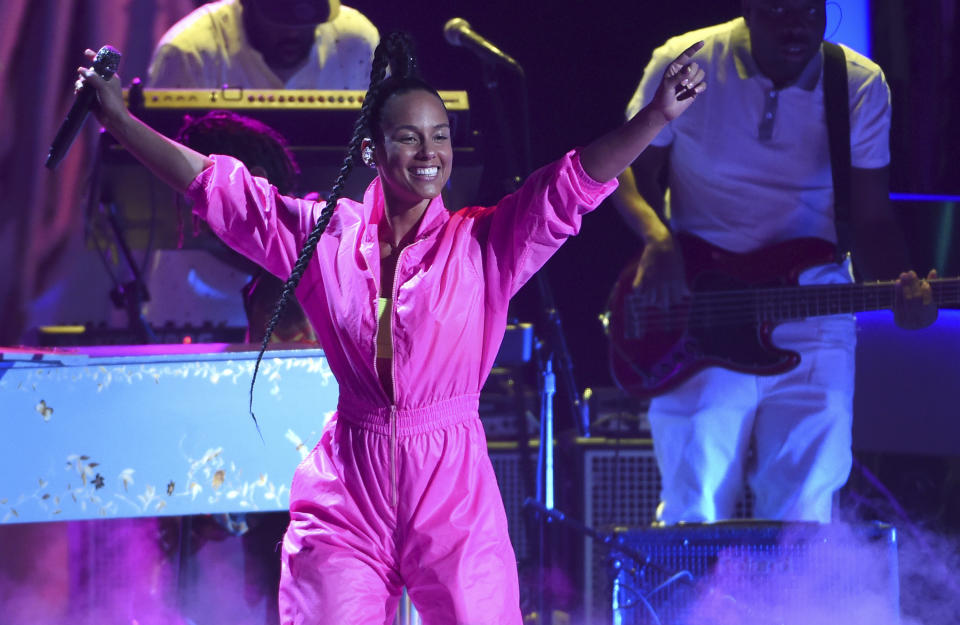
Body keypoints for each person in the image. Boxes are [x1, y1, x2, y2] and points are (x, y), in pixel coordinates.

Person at [77, 30, 707, 624]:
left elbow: (569, 186)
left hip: (450, 483)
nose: (430, 153)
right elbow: (221, 189)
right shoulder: (323, 233)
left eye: (440, 136)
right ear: (373, 150)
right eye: (409, 137)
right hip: (350, 485)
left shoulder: (484, 241)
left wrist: (653, 119)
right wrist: (120, 121)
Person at [612, 0, 936, 526]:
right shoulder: (690, 61)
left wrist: (903, 294)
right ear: (748, 8)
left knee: (805, 515)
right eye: (779, 9)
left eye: (809, 11)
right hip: (703, 304)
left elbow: (873, 219)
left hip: (812, 308)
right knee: (694, 506)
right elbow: (623, 168)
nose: (796, 24)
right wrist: (658, 241)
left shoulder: (857, 82)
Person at [147, 0, 379, 89]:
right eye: (278, 18)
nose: (292, 31)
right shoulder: (189, 53)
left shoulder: (359, 42)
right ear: (246, 4)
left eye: (307, 19)